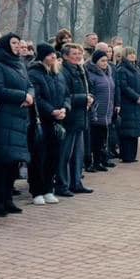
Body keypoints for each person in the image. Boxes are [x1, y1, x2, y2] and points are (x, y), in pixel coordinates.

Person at [0, 34, 34, 217]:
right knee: (1, 161)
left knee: (13, 161)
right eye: (13, 43)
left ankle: (7, 199)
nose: (17, 46)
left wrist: (29, 95)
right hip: (2, 117)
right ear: (5, 44)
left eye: (19, 43)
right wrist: (22, 96)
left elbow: (29, 85)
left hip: (19, 118)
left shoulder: (19, 63)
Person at [29, 44, 66, 205]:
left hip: (56, 120)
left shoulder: (57, 74)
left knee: (54, 156)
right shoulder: (34, 73)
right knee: (39, 156)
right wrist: (51, 111)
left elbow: (66, 94)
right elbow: (37, 98)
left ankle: (48, 188)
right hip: (41, 121)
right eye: (50, 55)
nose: (53, 57)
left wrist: (65, 107)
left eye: (54, 55)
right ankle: (37, 190)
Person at [61, 44, 91, 190]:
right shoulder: (63, 72)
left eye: (80, 53)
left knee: (78, 154)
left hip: (80, 117)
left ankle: (76, 182)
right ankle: (63, 184)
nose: (78, 56)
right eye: (74, 54)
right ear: (65, 56)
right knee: (66, 154)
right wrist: (84, 98)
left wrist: (88, 97)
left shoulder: (80, 70)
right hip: (70, 118)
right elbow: (64, 96)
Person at [85, 48, 113, 183]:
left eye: (106, 60)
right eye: (102, 61)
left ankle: (100, 160)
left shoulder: (107, 74)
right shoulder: (91, 75)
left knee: (102, 137)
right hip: (96, 111)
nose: (105, 63)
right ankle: (91, 162)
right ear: (95, 61)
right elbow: (91, 92)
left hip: (107, 110)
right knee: (94, 138)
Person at [115, 48, 140, 163]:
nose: (132, 56)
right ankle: (126, 155)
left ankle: (132, 155)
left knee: (135, 130)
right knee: (127, 130)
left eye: (133, 53)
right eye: (129, 54)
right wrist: (136, 97)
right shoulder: (122, 69)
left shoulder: (137, 68)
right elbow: (123, 86)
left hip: (138, 102)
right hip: (128, 102)